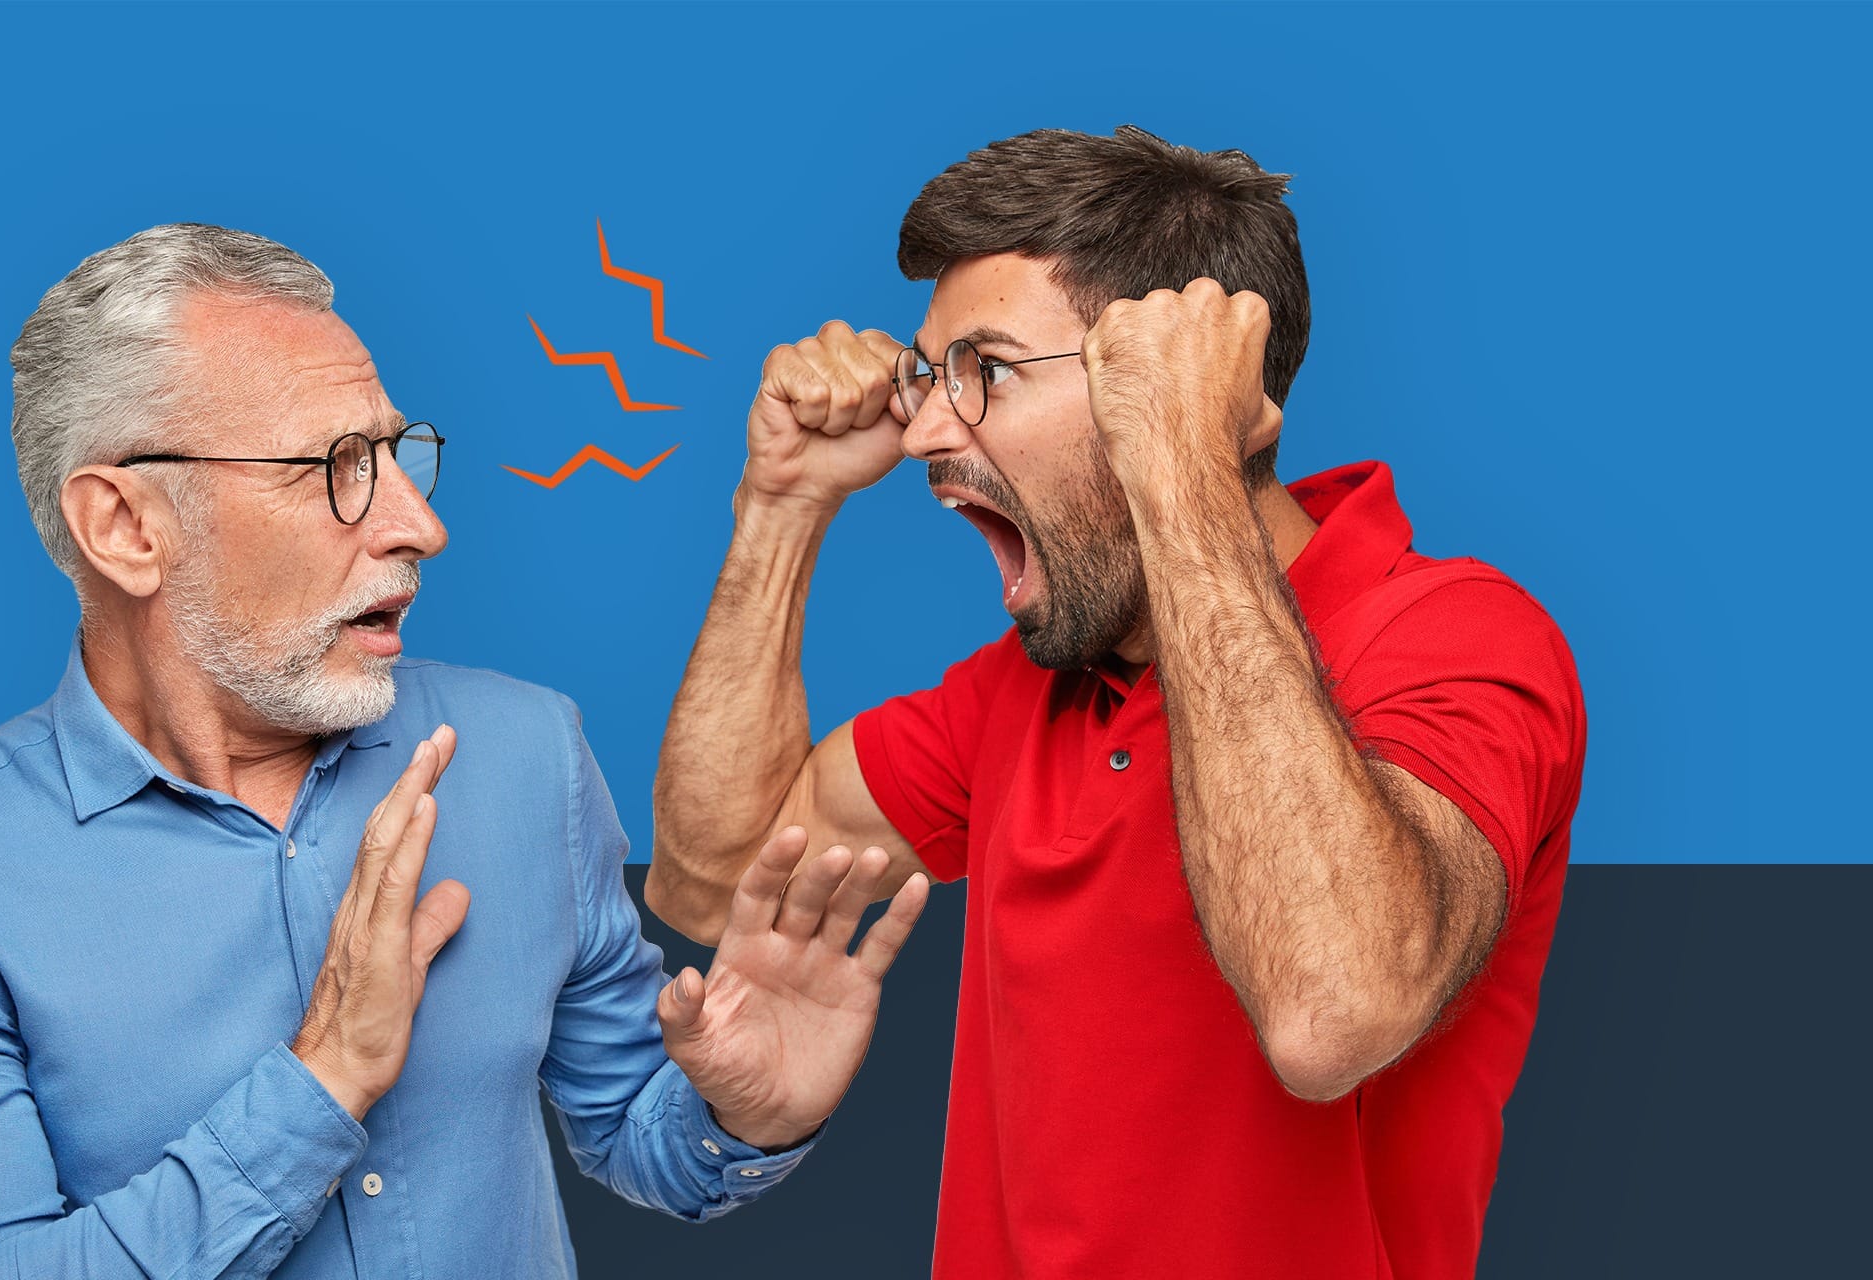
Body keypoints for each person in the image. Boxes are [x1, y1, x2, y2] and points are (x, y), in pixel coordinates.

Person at [0, 223, 930, 1280]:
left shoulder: (524, 752)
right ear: (125, 525)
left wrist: (747, 1111)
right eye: (337, 464)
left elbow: (640, 1131)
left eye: (399, 454)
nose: (416, 523)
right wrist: (321, 1082)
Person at [648, 126, 1587, 1279]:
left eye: (983, 370)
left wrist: (1182, 469)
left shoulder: (1454, 638)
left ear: (1183, 382)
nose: (928, 430)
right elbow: (716, 875)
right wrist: (779, 507)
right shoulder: (1026, 690)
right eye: (927, 375)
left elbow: (1329, 1010)